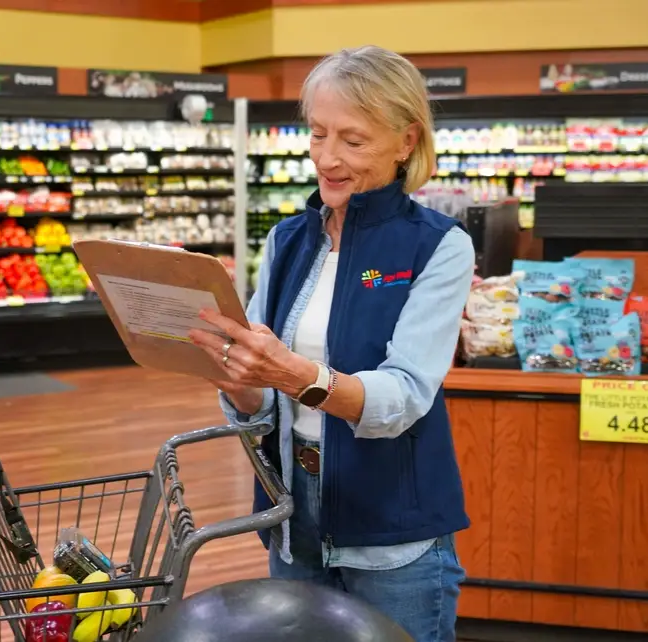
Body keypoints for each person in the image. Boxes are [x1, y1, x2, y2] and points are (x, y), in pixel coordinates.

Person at [188, 45, 475, 642]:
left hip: (392, 523)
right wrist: (242, 384)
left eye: (353, 139)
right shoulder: (288, 239)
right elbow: (264, 402)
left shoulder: (439, 247)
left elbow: (402, 397)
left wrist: (295, 374)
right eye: (318, 134)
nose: (328, 158)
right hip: (295, 511)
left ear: (406, 141)